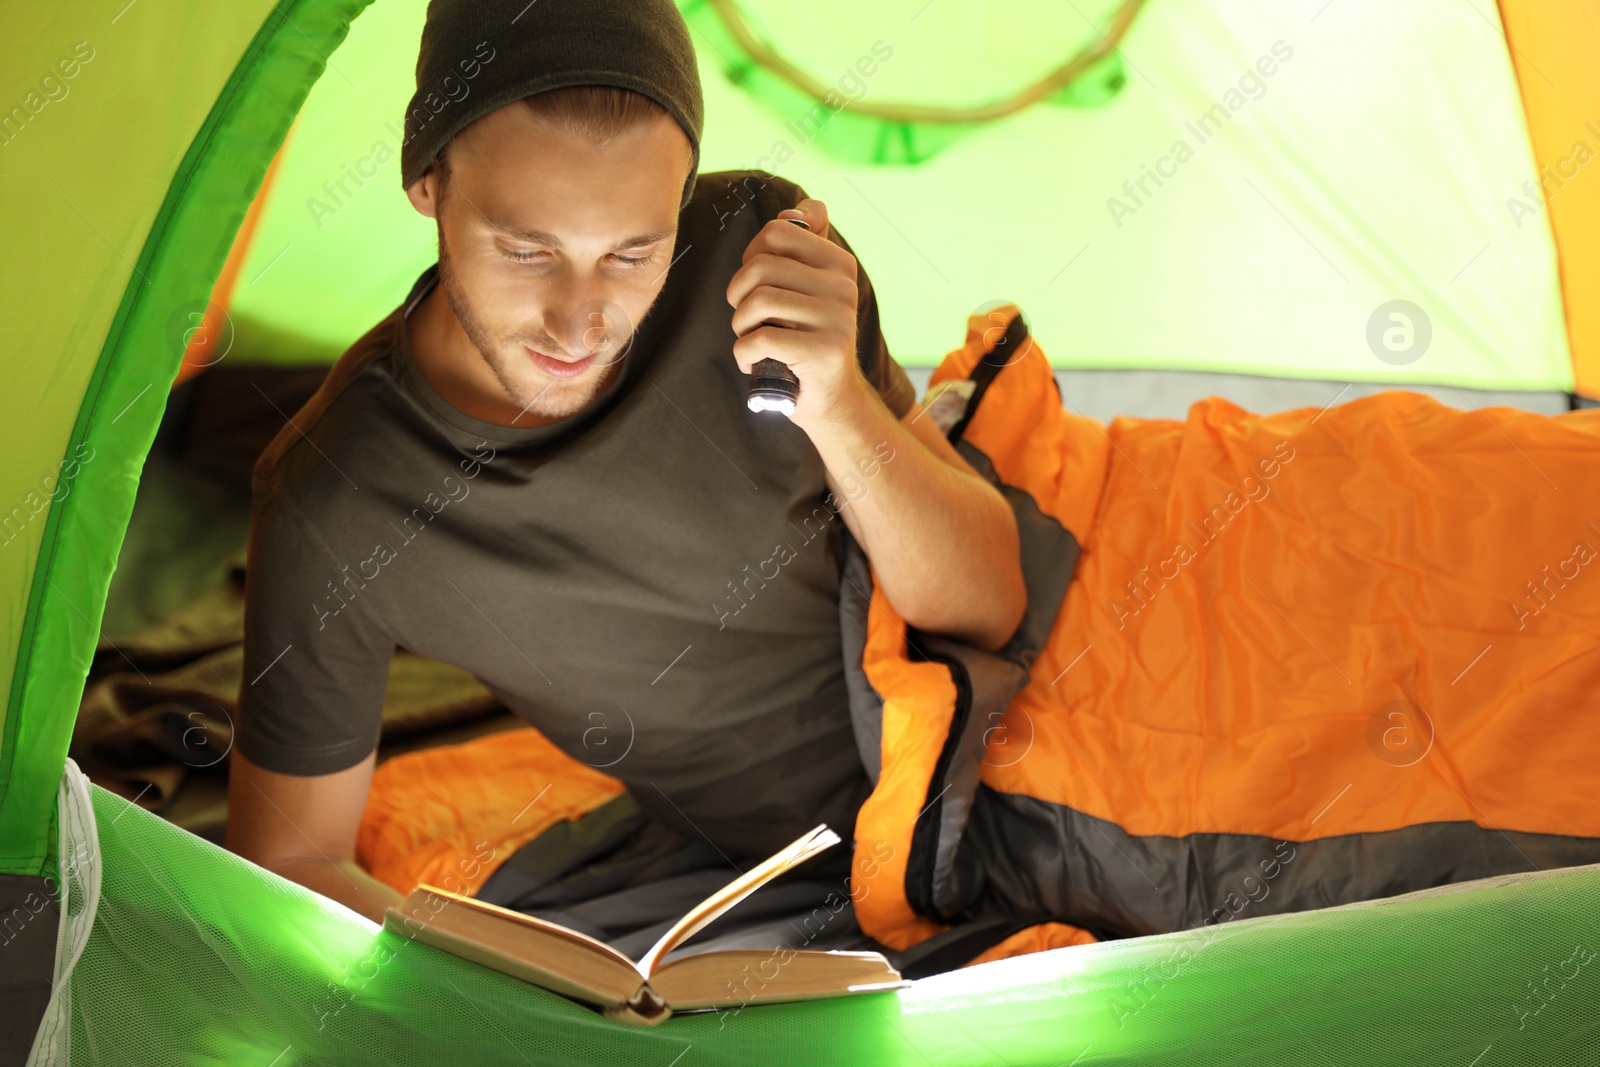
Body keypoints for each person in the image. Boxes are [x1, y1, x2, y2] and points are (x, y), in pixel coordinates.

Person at [224, 0, 1024, 958]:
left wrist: (840, 401)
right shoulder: (339, 497)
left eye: (632, 254)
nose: (578, 324)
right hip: (805, 860)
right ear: (428, 183)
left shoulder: (752, 257)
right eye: (527, 251)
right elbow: (291, 865)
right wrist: (527, 991)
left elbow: (989, 603)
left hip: (1011, 731)